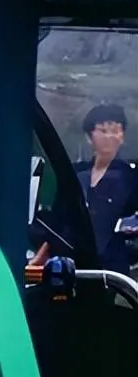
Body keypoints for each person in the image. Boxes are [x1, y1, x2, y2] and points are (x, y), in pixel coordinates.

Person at [32, 103, 138, 273]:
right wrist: (41, 256)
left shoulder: (131, 177)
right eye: (103, 130)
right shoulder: (73, 174)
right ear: (90, 137)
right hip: (69, 266)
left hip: (112, 272)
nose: (110, 136)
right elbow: (57, 220)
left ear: (123, 137)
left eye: (116, 130)